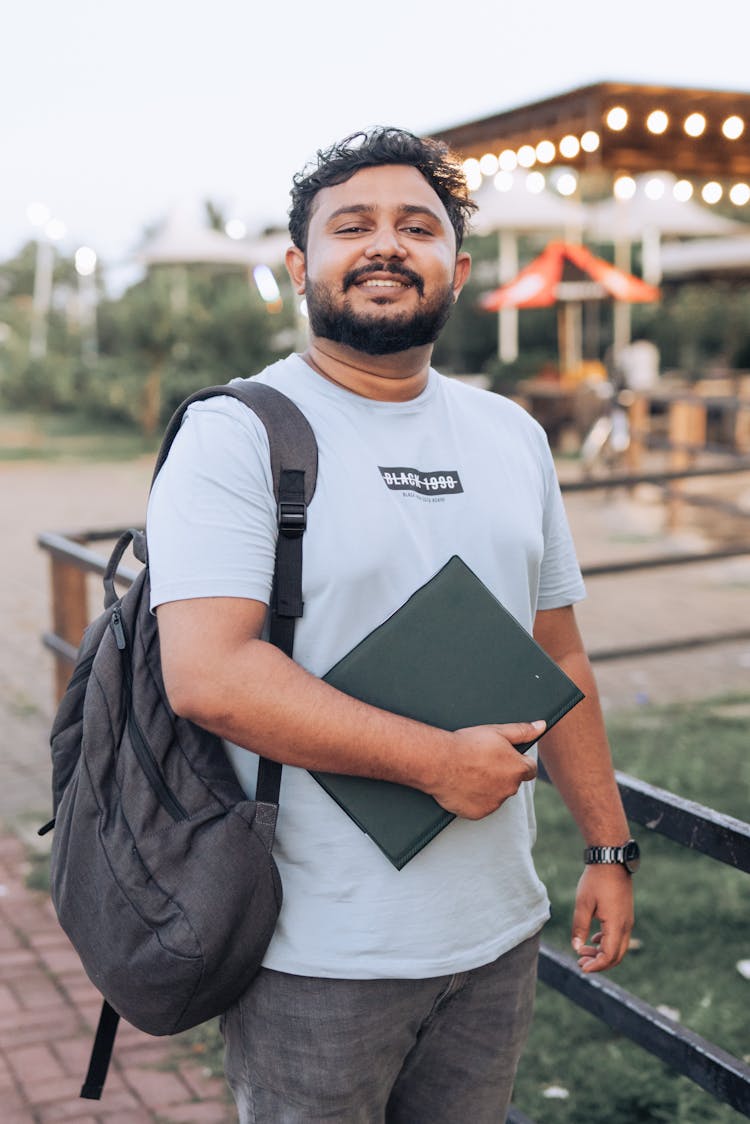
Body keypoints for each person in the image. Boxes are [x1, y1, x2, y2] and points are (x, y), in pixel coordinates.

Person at [147, 127, 636, 1123]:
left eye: (417, 226)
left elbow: (558, 651)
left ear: (455, 269)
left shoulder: (512, 434)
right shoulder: (235, 433)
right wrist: (433, 762)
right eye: (352, 225)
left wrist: (607, 844)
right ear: (301, 263)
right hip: (314, 950)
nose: (385, 244)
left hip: (496, 934)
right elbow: (207, 673)